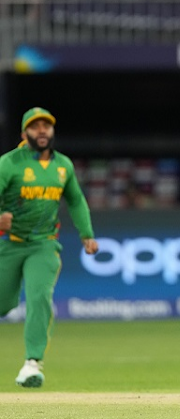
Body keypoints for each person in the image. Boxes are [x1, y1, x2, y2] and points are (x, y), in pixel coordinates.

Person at [0, 107, 99, 388]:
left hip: (44, 244)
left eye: (46, 126)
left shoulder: (62, 165)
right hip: (9, 244)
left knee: (39, 296)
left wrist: (87, 235)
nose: (41, 130)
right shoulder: (9, 163)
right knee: (3, 303)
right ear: (24, 134)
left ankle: (32, 364)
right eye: (35, 126)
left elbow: (76, 200)